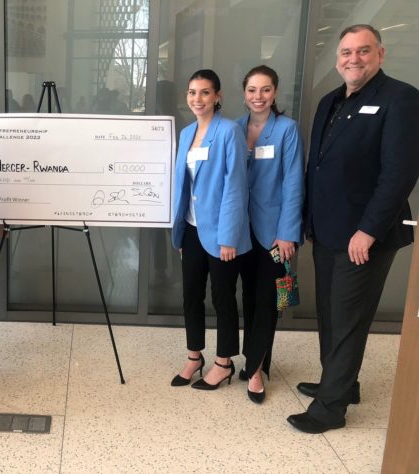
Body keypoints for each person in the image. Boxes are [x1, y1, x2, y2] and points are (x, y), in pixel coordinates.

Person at [288, 24, 419, 433]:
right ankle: (341, 383)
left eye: (363, 51)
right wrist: (308, 221)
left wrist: (368, 230)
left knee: (347, 318)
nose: (353, 59)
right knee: (330, 314)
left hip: (364, 238)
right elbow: (318, 167)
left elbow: (399, 173)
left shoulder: (401, 98)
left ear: (380, 54)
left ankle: (330, 409)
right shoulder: (329, 101)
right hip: (327, 232)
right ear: (337, 59)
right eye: (346, 52)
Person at [170, 69, 250, 390]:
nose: (197, 99)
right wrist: (179, 230)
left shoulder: (229, 131)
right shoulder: (187, 133)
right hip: (190, 229)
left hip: (220, 233)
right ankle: (194, 357)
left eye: (204, 93)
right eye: (192, 92)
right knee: (190, 296)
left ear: (217, 96)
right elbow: (183, 185)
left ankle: (223, 363)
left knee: (222, 298)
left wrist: (229, 235)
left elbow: (236, 187)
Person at [235, 66, 304, 403]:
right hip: (239, 232)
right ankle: (256, 359)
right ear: (244, 93)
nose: (257, 96)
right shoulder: (234, 128)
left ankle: (256, 370)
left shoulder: (287, 129)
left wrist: (288, 233)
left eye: (264, 90)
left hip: (275, 235)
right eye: (251, 90)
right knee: (249, 299)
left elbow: (294, 183)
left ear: (275, 92)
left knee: (268, 302)